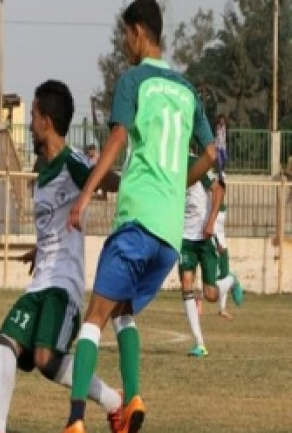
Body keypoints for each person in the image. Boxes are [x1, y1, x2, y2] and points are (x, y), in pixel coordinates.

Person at [63, 1, 217, 432]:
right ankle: (131, 400)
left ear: (137, 32)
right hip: (168, 236)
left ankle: (75, 421)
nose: (123, 45)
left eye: (124, 35)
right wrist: (176, 186)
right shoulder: (186, 90)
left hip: (136, 221)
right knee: (123, 310)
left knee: (93, 317)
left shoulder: (134, 80)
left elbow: (117, 135)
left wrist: (87, 194)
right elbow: (210, 154)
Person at [0, 80, 123, 433]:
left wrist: (134, 183)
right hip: (40, 281)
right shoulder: (44, 172)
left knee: (45, 360)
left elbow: (105, 180)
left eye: (35, 115)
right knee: (6, 339)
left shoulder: (73, 162)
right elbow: (57, 220)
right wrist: (39, 248)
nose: (30, 124)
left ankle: (114, 402)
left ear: (48, 121)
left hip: (63, 285)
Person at [179, 149, 242, 357]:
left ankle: (230, 281)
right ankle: (200, 343)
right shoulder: (167, 166)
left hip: (204, 237)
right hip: (184, 238)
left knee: (211, 295)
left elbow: (218, 190)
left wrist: (211, 222)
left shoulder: (193, 163)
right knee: (186, 285)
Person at [211, 170, 244, 319]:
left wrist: (217, 243)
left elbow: (214, 227)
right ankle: (223, 308)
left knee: (220, 279)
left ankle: (234, 281)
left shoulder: (218, 206)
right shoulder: (214, 204)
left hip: (219, 246)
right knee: (220, 279)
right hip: (217, 244)